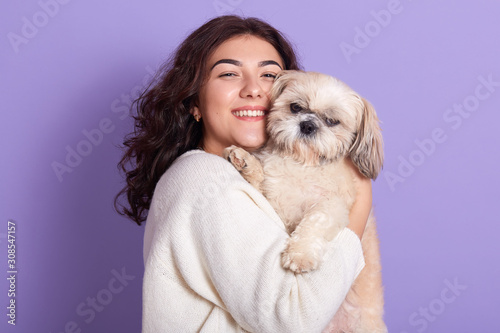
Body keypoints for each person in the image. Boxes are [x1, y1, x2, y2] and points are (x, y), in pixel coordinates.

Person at [115, 15, 373, 333]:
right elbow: (292, 319)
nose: (254, 89)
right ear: (193, 101)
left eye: (268, 75)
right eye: (228, 73)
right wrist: (359, 199)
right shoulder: (208, 181)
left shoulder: (228, 176)